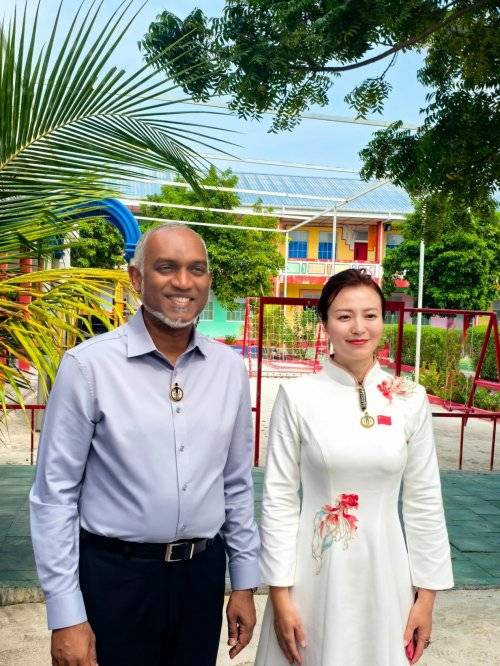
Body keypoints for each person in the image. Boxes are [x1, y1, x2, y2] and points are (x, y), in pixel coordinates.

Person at [30, 223, 260, 666]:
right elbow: (54, 497)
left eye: (196, 269)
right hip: (115, 579)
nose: (183, 282)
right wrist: (66, 615)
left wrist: (244, 582)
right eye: (166, 268)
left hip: (201, 579)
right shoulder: (89, 367)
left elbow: (235, 483)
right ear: (136, 278)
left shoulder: (228, 369)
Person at [255, 268, 453, 666]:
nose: (358, 328)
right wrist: (279, 595)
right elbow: (278, 499)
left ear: (383, 319)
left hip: (385, 571)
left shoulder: (410, 398)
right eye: (344, 316)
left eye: (370, 315)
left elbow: (425, 500)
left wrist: (426, 597)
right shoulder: (297, 396)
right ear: (325, 322)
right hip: (314, 574)